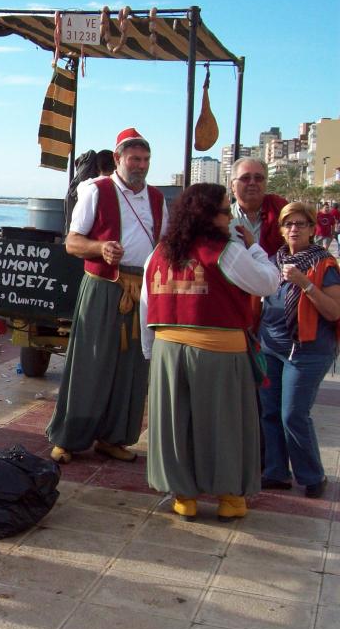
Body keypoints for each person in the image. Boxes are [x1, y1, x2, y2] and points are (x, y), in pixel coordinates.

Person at [141, 184, 278, 522]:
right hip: (219, 352)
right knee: (225, 425)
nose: (230, 217)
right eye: (224, 210)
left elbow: (146, 306)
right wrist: (254, 247)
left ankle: (184, 496)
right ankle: (230, 497)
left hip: (168, 350)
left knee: (176, 425)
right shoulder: (226, 251)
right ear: (205, 214)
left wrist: (150, 353)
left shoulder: (158, 252)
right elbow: (268, 283)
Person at [46, 127, 168, 464]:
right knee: (90, 363)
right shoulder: (95, 191)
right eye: (134, 159)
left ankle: (114, 437)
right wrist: (100, 247)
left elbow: (166, 245)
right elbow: (72, 242)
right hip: (102, 287)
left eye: (145, 159)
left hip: (141, 291)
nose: (140, 165)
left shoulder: (157, 199)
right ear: (118, 159)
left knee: (131, 368)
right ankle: (68, 439)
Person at [258, 202, 340, 498]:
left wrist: (305, 283)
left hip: (307, 351)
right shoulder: (273, 260)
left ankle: (312, 475)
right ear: (281, 230)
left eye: (301, 224)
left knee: (293, 414)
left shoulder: (324, 264)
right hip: (271, 348)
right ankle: (276, 471)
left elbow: (333, 312)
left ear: (312, 228)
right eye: (288, 224)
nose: (294, 229)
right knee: (269, 412)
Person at [230, 158, 287, 255]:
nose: (252, 182)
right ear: (232, 186)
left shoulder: (282, 212)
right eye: (245, 178)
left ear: (265, 183)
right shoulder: (223, 218)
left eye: (258, 178)